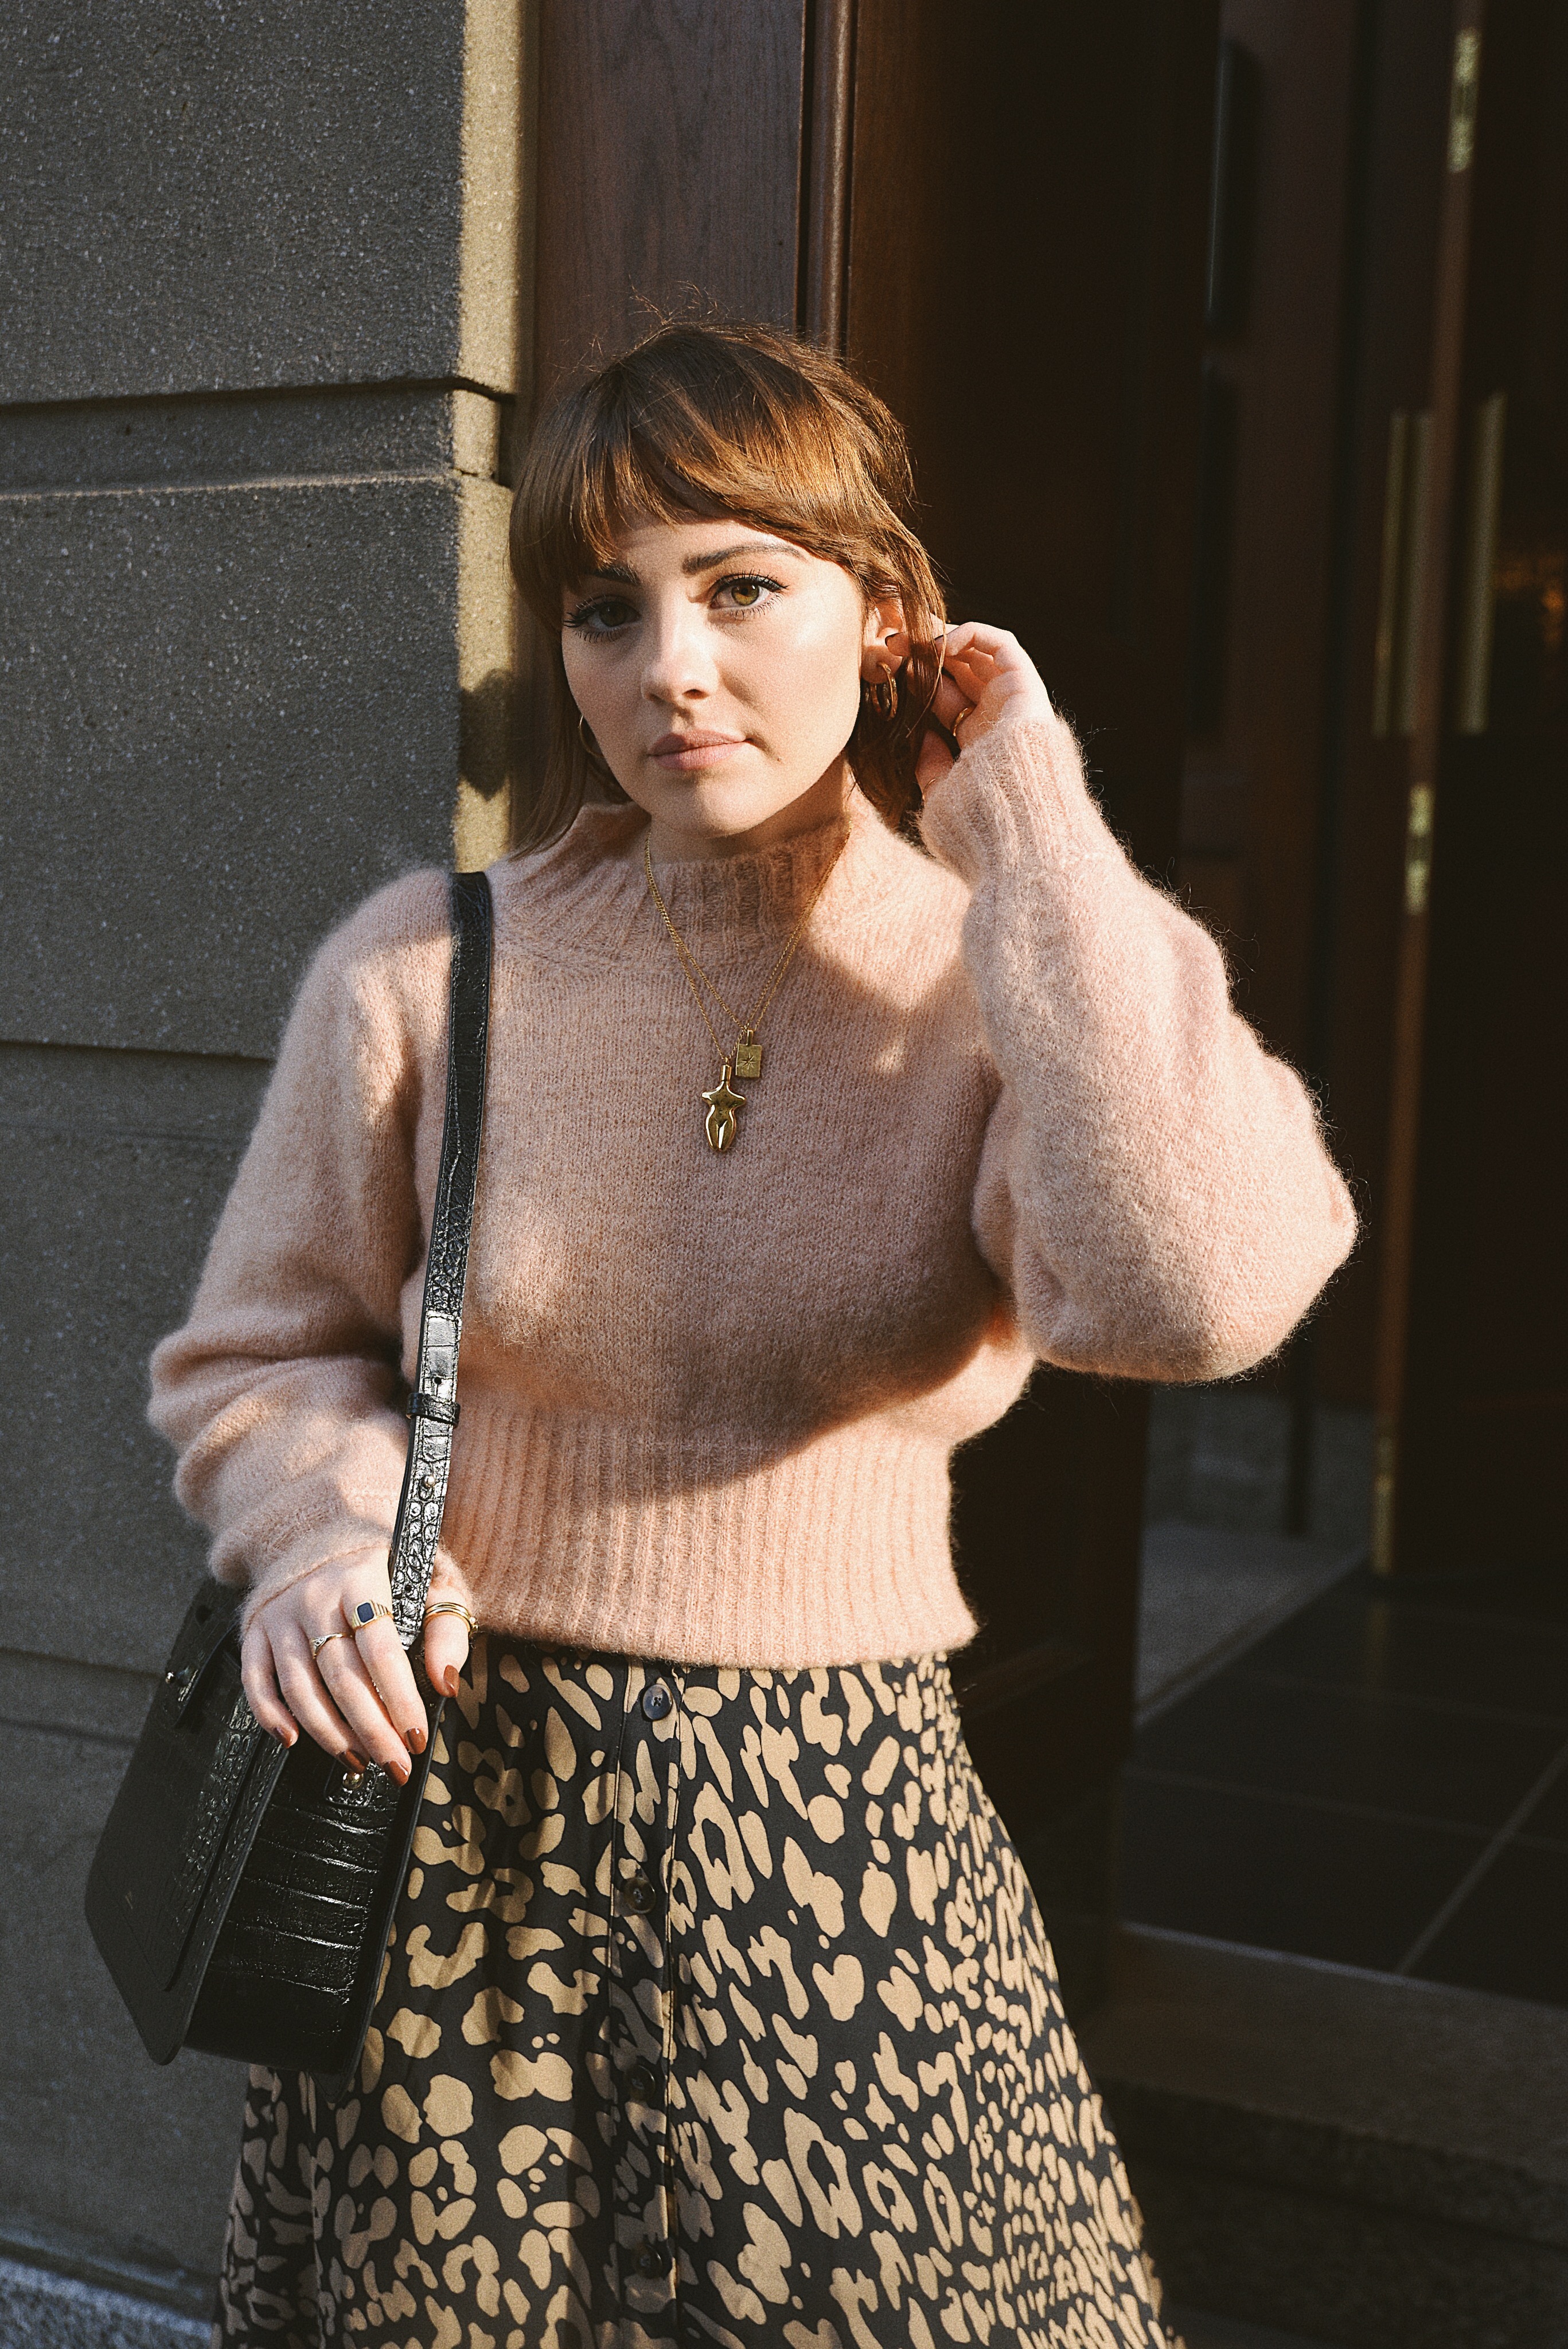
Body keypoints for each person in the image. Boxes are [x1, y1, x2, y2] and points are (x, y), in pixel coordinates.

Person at [150, 320, 1355, 2349]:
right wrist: (323, 1536)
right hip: (456, 1814)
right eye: (606, 610)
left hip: (833, 1816)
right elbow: (260, 1354)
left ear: (885, 615)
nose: (669, 670)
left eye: (739, 588)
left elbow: (1201, 1292)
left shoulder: (995, 981)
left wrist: (1033, 831)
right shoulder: (430, 967)